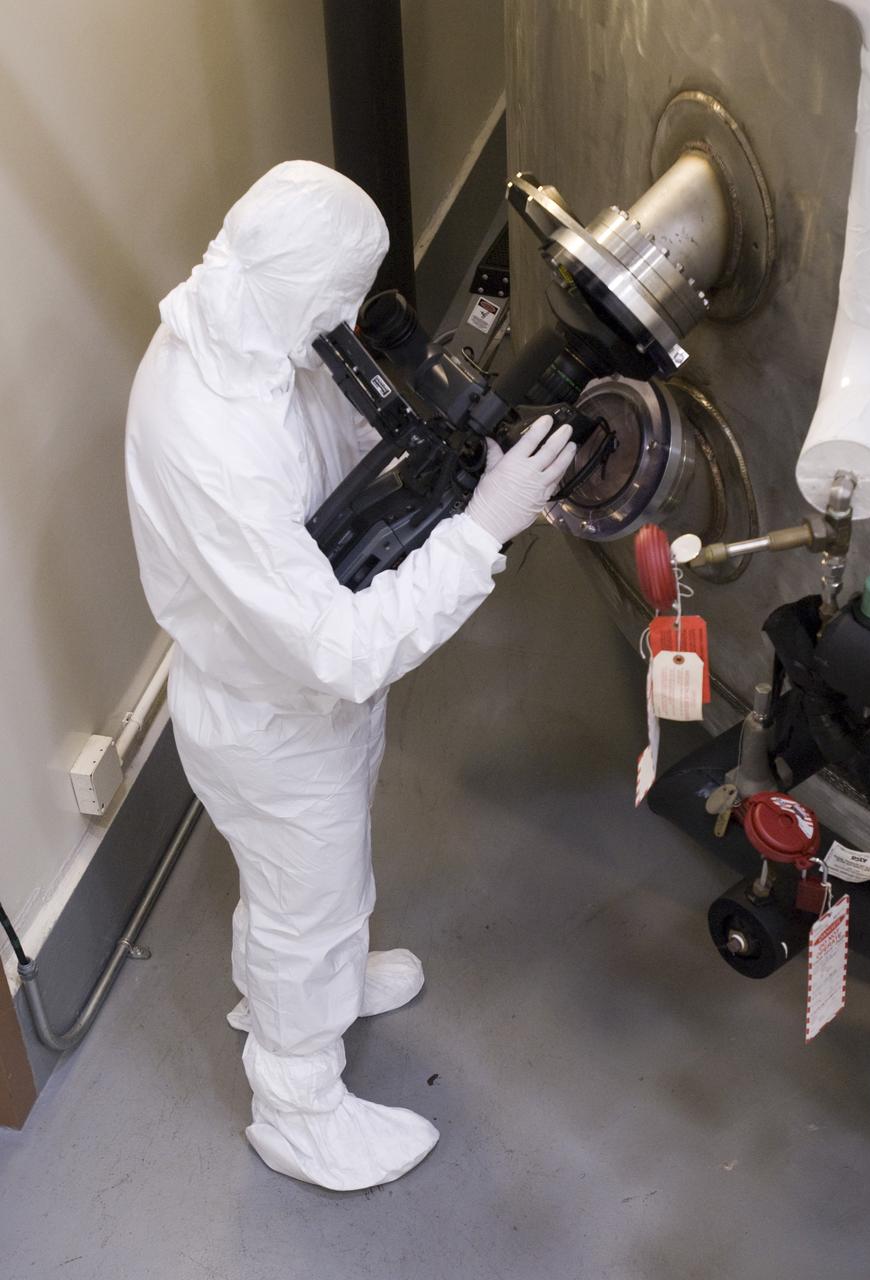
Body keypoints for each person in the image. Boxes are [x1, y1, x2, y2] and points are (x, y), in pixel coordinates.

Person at [125, 160, 576, 1191]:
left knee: (310, 883)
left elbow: (327, 444)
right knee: (305, 903)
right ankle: (296, 1103)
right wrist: (479, 533)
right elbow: (343, 649)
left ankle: (296, 979)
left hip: (296, 698)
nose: (340, 324)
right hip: (273, 711)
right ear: (292, 281)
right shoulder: (212, 438)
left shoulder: (246, 333)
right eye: (332, 301)